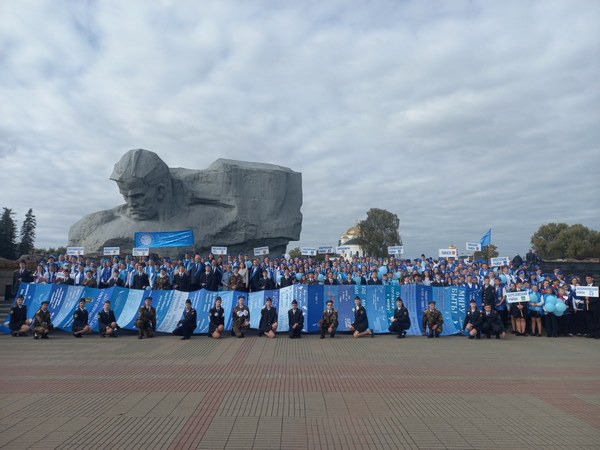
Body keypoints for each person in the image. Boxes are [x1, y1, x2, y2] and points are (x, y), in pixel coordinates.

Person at [583, 274, 599, 339]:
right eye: (586, 278)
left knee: (596, 320)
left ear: (592, 279)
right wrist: (584, 298)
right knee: (589, 320)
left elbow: (597, 297)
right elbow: (581, 295)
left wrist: (589, 301)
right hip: (587, 307)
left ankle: (597, 334)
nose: (587, 280)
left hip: (594, 307)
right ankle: (591, 333)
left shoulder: (596, 287)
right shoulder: (584, 286)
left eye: (589, 278)